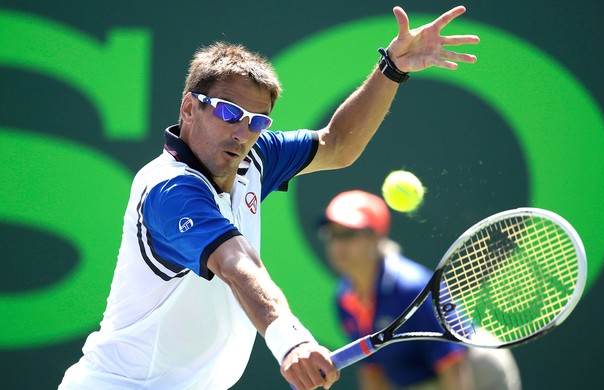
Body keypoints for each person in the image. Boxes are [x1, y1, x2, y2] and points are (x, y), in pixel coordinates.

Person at [58, 5, 479, 390]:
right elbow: (237, 264)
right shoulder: (169, 187)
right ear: (189, 108)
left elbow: (337, 145)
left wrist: (392, 68)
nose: (242, 132)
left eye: (256, 121)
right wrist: (289, 340)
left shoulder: (251, 157)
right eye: (227, 112)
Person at [319, 190, 522, 390]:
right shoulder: (343, 299)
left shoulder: (411, 288)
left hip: (476, 373)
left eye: (348, 234)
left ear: (376, 237)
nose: (338, 244)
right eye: (332, 235)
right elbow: (372, 371)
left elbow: (453, 365)